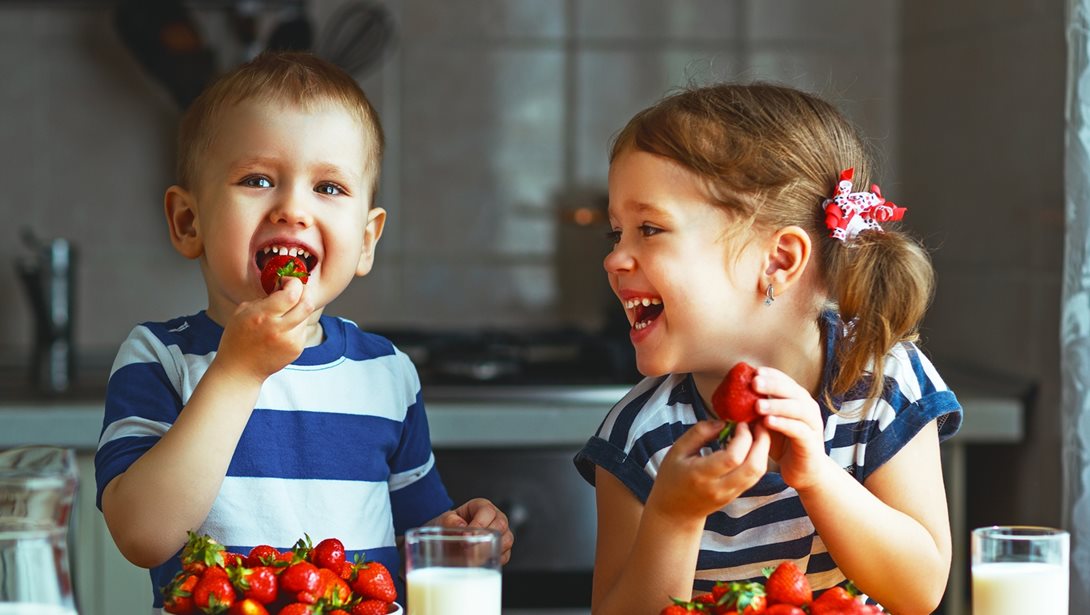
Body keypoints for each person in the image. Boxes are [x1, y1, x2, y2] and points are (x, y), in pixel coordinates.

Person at [94, 51, 513, 610]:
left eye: (330, 188)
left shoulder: (386, 373)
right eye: (258, 179)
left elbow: (416, 540)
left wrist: (460, 535)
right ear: (187, 221)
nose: (292, 207)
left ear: (366, 240)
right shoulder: (158, 357)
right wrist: (237, 372)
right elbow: (142, 534)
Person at [573, 82, 962, 614]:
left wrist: (816, 478)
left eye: (650, 228)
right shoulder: (638, 434)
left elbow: (919, 592)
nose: (615, 258)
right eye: (617, 233)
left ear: (778, 261)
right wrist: (673, 517)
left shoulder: (884, 383)